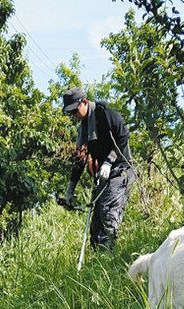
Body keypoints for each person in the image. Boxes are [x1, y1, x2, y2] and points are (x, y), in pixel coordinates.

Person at [56, 87, 135, 249]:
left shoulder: (106, 114)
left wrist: (108, 161)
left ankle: (109, 259)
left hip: (121, 169)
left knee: (108, 213)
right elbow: (80, 160)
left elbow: (123, 138)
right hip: (103, 176)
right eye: (70, 113)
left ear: (84, 102)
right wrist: (70, 191)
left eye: (75, 111)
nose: (74, 115)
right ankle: (97, 263)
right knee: (96, 225)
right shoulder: (84, 128)